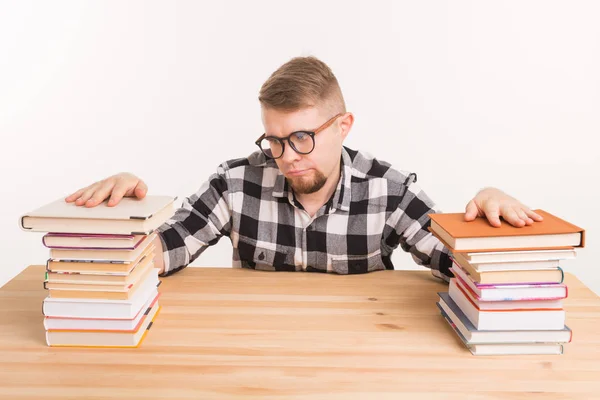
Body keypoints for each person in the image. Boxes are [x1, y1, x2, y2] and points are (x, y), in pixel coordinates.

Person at [65, 56, 543, 281]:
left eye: (301, 138)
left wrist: (488, 210)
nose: (286, 156)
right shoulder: (234, 184)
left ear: (344, 126)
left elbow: (463, 268)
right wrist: (127, 220)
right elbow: (164, 251)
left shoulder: (389, 190)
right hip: (255, 365)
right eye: (273, 140)